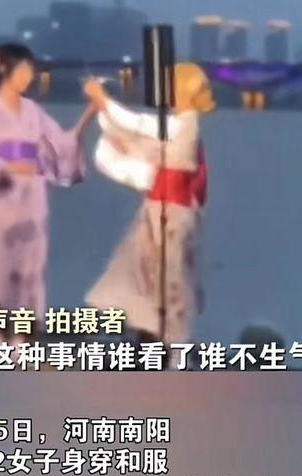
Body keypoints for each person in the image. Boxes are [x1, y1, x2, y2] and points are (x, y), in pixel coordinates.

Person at [0, 43, 95, 347]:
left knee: (30, 271)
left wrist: (89, 114)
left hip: (32, 199)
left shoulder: (33, 112)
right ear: (5, 71)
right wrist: (4, 168)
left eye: (29, 70)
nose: (28, 76)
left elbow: (61, 144)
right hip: (1, 201)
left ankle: (20, 339)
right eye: (23, 70)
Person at [84, 63, 214, 363]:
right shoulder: (176, 125)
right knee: (144, 274)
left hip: (172, 215)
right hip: (159, 210)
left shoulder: (184, 125)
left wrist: (104, 102)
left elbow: (139, 125)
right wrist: (104, 110)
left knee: (169, 283)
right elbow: (137, 133)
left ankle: (173, 351)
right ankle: (151, 338)